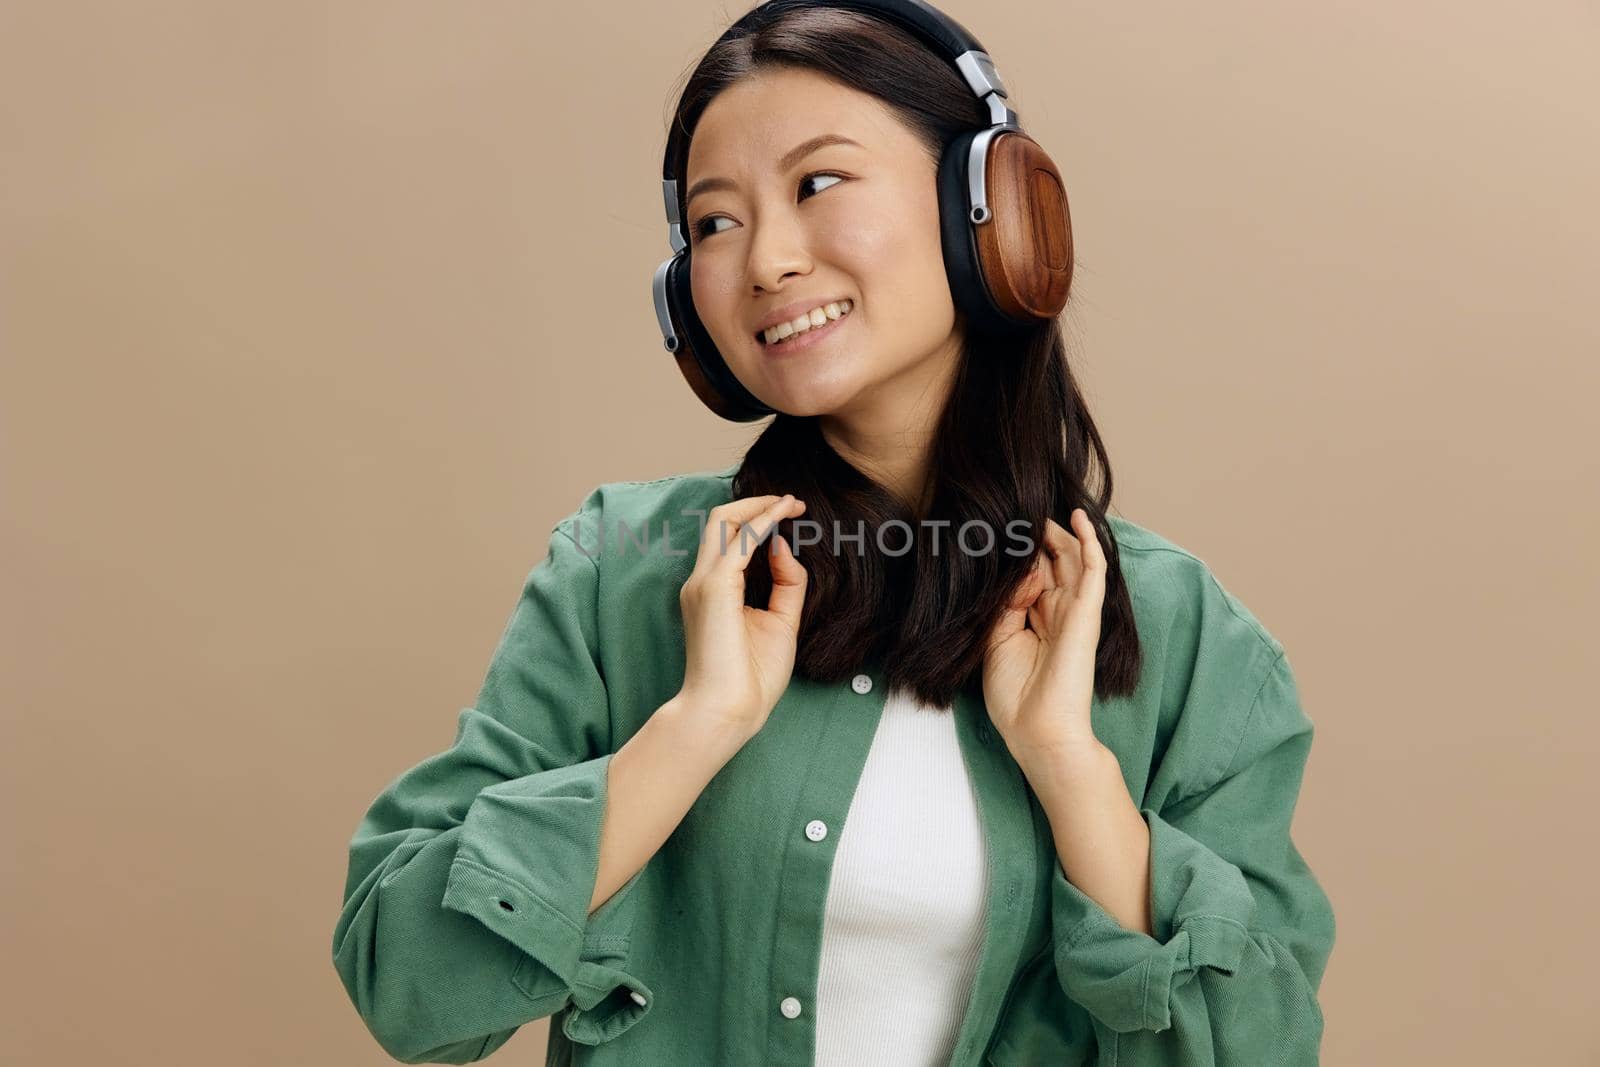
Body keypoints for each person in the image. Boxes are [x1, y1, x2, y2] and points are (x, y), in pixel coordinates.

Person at [331, 2, 1336, 1064]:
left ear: (983, 206)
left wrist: (1071, 771)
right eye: (715, 223)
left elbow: (1256, 1046)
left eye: (817, 184)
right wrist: (693, 726)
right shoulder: (616, 568)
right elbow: (409, 987)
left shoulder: (1188, 636)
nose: (764, 261)